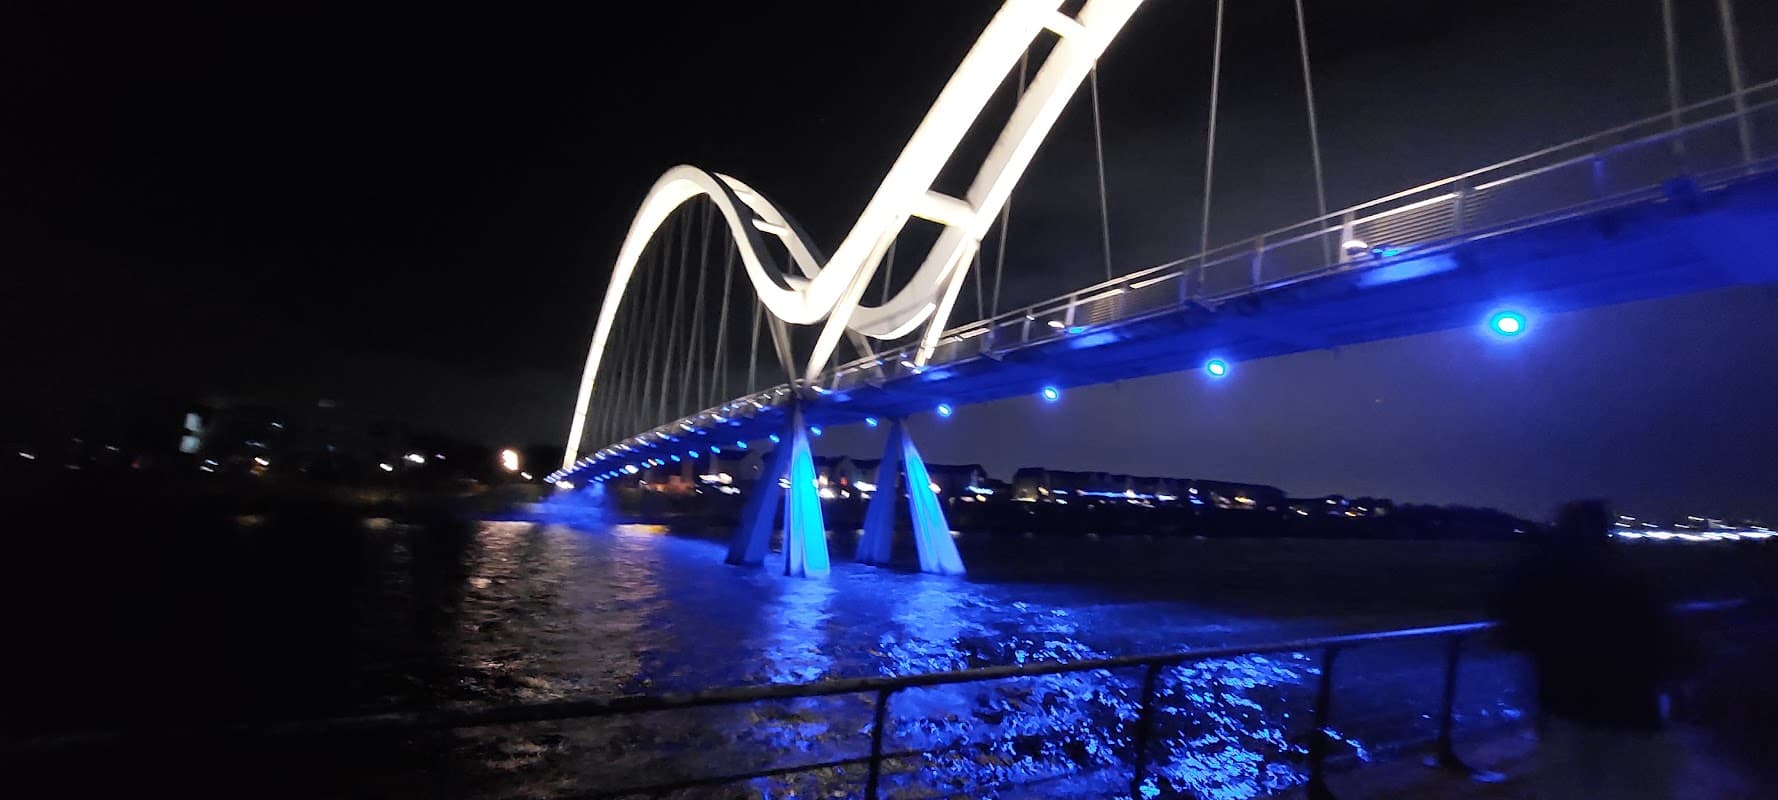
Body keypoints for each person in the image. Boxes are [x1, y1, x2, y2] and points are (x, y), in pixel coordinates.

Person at [1496, 500, 1691, 799]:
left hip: (1564, 709)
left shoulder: (1537, 578)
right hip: (1633, 713)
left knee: (1569, 786)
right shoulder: (1634, 578)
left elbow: (1511, 634)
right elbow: (1669, 644)